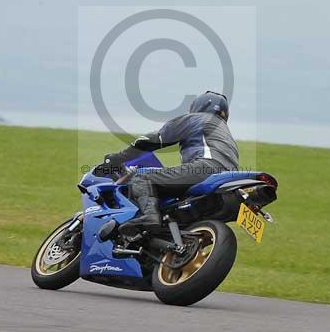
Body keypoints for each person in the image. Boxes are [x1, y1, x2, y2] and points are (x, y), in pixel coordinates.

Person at [93, 90, 239, 230]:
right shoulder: (226, 135)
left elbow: (154, 139)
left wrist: (120, 157)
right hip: (229, 189)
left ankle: (149, 217)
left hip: (207, 170)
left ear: (199, 106)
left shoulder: (197, 119)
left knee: (143, 179)